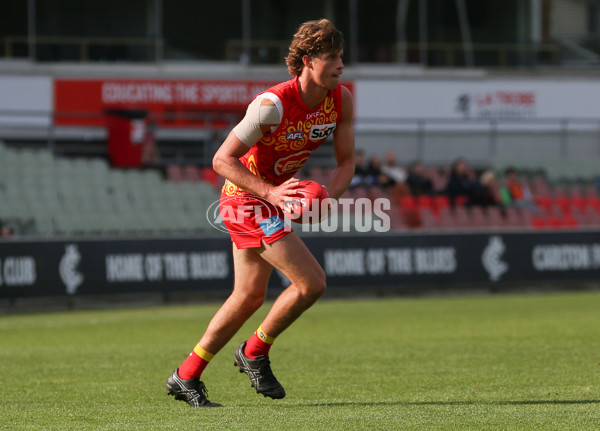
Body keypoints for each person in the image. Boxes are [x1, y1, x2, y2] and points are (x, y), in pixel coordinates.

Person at [166, 19, 355, 407]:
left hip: (270, 199)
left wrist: (327, 200)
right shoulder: (272, 104)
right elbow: (222, 159)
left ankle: (185, 376)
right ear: (306, 60)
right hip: (244, 198)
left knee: (249, 296)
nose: (340, 65)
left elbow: (347, 162)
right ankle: (254, 351)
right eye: (331, 57)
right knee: (311, 283)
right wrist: (270, 192)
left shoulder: (341, 100)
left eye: (341, 56)